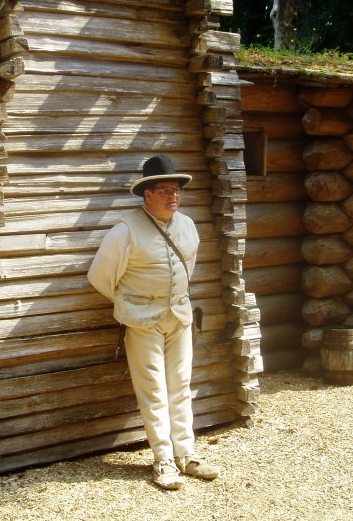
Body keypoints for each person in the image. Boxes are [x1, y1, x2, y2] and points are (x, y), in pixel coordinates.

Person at [87, 155, 220, 490]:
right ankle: (163, 461)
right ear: (147, 194)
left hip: (179, 317)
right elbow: (100, 277)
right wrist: (132, 304)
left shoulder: (187, 226)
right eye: (164, 190)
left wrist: (172, 298)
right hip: (142, 322)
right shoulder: (125, 230)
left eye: (175, 190)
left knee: (181, 387)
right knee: (154, 392)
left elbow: (188, 269)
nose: (173, 196)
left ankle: (187, 455)